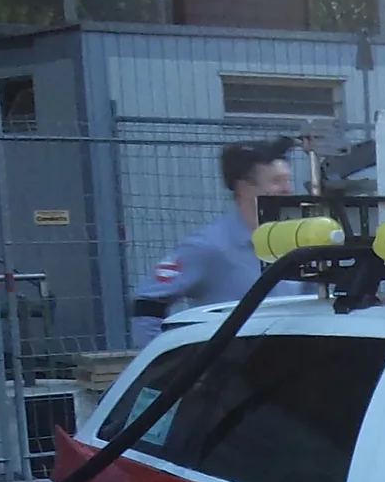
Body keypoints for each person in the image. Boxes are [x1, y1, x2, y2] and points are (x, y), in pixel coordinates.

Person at [129, 137, 301, 345]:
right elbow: (146, 304)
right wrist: (166, 364)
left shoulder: (296, 241)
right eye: (276, 182)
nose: (287, 190)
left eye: (287, 180)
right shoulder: (210, 246)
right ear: (244, 188)